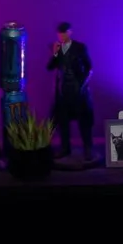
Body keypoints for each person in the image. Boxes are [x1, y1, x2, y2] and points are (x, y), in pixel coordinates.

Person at [46, 22, 94, 160]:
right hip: (63, 91)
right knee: (62, 120)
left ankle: (88, 149)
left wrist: (82, 85)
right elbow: (50, 67)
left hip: (78, 90)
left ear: (70, 32)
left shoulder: (80, 47)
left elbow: (89, 68)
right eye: (60, 33)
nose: (62, 36)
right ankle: (65, 148)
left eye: (64, 32)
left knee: (84, 121)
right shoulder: (57, 48)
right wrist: (55, 53)